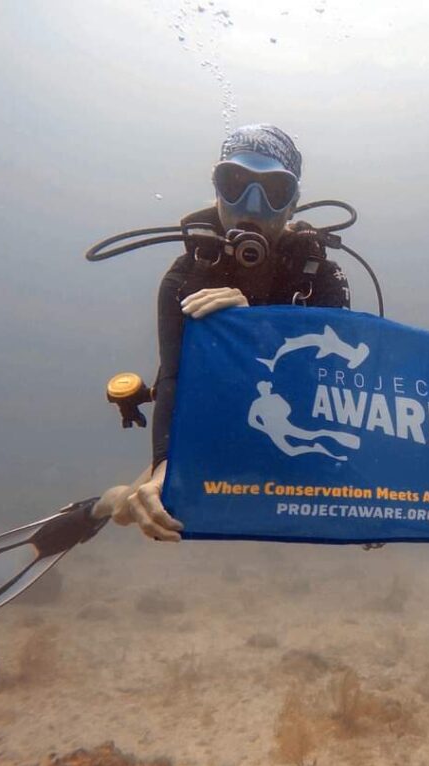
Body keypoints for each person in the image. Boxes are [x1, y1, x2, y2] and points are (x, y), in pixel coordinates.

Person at [94, 124, 352, 541]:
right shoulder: (184, 278)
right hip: (210, 412)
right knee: (133, 504)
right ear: (216, 193)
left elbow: (335, 383)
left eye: (274, 191)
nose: (252, 206)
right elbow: (174, 378)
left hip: (290, 419)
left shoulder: (320, 275)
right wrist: (163, 468)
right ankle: (101, 504)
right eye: (235, 184)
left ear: (292, 206)